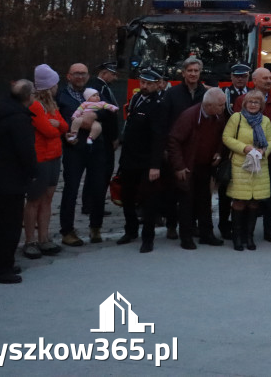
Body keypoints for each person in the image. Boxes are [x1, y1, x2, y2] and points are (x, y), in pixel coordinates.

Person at [0, 80, 37, 284]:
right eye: (33, 93)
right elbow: (25, 150)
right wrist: (32, 171)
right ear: (27, 96)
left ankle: (0, 263)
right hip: (12, 178)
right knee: (10, 225)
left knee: (3, 223)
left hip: (1, 175)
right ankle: (0, 270)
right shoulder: (18, 119)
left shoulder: (3, 112)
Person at [166, 88, 229, 249]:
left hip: (205, 164)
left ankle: (206, 234)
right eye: (221, 105)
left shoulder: (218, 116)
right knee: (186, 202)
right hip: (188, 165)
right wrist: (179, 166)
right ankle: (186, 237)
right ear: (209, 105)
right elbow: (174, 140)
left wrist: (218, 153)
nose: (224, 108)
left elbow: (222, 137)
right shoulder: (189, 116)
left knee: (204, 201)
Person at [56, 62, 109, 246]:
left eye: (84, 73)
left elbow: (107, 113)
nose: (80, 77)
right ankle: (67, 231)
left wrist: (93, 117)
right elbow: (64, 118)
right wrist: (89, 119)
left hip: (96, 147)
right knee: (71, 188)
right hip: (74, 149)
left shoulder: (95, 93)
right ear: (68, 76)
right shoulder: (61, 95)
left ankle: (96, 227)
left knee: (98, 187)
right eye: (76, 73)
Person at [158, 56, 209, 241]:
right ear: (183, 73)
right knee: (173, 189)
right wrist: (165, 148)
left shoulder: (206, 93)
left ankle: (191, 223)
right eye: (190, 71)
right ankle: (172, 224)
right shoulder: (172, 94)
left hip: (198, 150)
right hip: (176, 148)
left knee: (194, 190)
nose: (193, 74)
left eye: (196, 71)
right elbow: (164, 122)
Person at [233, 66, 271, 243]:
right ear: (254, 81)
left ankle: (269, 231)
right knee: (246, 196)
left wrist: (270, 148)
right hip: (245, 158)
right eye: (264, 78)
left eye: (269, 78)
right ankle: (243, 234)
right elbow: (234, 128)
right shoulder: (241, 100)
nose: (269, 81)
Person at [117, 68, 166, 253]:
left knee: (149, 200)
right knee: (127, 197)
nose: (144, 86)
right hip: (129, 159)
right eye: (143, 82)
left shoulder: (159, 104)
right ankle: (130, 231)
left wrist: (155, 165)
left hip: (147, 161)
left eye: (149, 83)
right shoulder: (136, 98)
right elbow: (129, 129)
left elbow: (158, 137)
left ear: (157, 85)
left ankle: (148, 238)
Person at [23, 65, 67, 260]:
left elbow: (64, 126)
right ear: (50, 86)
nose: (58, 87)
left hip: (54, 157)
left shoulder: (52, 105)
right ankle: (30, 241)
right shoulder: (35, 105)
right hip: (40, 159)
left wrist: (57, 126)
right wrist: (57, 127)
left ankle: (44, 238)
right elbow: (49, 131)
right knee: (34, 200)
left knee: (47, 199)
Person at [223, 90, 271, 251]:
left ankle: (249, 236)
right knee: (239, 201)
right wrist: (244, 148)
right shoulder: (236, 118)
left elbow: (270, 140)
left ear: (261, 105)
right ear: (245, 103)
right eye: (250, 102)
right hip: (241, 166)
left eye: (256, 102)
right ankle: (237, 237)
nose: (253, 105)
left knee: (254, 201)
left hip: (259, 166)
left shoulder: (265, 121)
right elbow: (226, 137)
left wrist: (264, 151)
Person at [84, 60, 120, 216]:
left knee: (103, 170)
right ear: (104, 73)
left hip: (105, 135)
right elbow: (106, 114)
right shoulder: (96, 88)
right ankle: (92, 203)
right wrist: (113, 137)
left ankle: (93, 203)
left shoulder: (104, 87)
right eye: (112, 74)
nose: (115, 78)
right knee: (100, 171)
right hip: (102, 136)